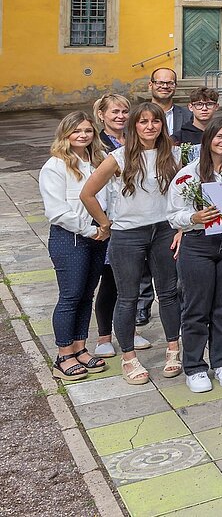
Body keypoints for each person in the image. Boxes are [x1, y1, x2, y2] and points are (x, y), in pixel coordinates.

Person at [79, 103, 183, 385]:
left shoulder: (172, 155)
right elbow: (88, 193)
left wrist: (182, 226)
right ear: (134, 126)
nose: (150, 127)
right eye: (143, 122)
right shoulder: (118, 157)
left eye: (155, 122)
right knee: (128, 297)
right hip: (128, 235)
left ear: (163, 125)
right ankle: (129, 357)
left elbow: (183, 194)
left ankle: (173, 349)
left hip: (163, 231)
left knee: (169, 293)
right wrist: (105, 223)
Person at [168, 116, 222, 393]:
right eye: (219, 137)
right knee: (196, 308)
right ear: (208, 139)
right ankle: (194, 366)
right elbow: (173, 216)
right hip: (198, 245)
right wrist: (195, 216)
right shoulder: (188, 175)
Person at [41, 113, 109, 381]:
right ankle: (63, 355)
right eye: (77, 131)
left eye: (88, 131)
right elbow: (57, 211)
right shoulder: (55, 166)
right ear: (65, 134)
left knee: (86, 295)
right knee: (70, 296)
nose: (83, 135)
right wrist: (91, 230)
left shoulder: (96, 162)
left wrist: (104, 227)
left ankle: (80, 348)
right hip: (71, 236)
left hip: (98, 234)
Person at [149, 67, 192, 136]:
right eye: (160, 82)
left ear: (175, 86)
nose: (165, 86)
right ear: (150, 85)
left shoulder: (188, 116)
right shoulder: (137, 115)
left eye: (170, 83)